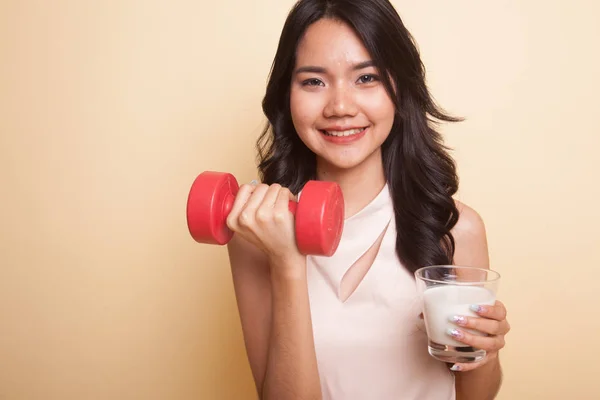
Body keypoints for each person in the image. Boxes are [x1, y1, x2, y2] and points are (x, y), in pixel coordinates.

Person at [225, 0, 511, 399]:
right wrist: (288, 262)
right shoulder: (255, 233)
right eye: (313, 81)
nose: (340, 107)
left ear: (399, 88)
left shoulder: (456, 229)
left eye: (366, 78)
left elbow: (475, 396)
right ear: (286, 96)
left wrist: (485, 354)